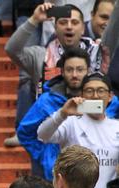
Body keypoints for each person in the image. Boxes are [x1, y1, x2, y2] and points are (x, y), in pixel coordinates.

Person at [17, 48, 100, 180]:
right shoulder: (46, 101)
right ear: (62, 71)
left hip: (96, 172)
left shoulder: (101, 100)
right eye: (69, 70)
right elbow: (25, 133)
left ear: (88, 70)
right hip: (57, 175)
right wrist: (46, 155)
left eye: (80, 70)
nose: (74, 75)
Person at [38, 72, 119, 188]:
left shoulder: (116, 127)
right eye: (89, 91)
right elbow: (42, 135)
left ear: (110, 96)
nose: (95, 95)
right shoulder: (71, 122)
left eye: (101, 91)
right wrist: (62, 113)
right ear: (81, 95)